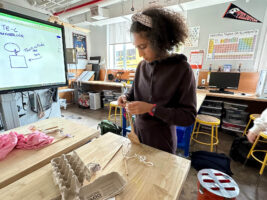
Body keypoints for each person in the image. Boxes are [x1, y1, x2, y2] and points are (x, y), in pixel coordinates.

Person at [118, 7, 196, 154]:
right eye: (137, 48)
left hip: (162, 142)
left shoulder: (181, 69)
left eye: (143, 47)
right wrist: (125, 98)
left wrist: (151, 108)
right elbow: (133, 94)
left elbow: (188, 117)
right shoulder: (141, 66)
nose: (140, 54)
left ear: (160, 41)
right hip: (138, 136)